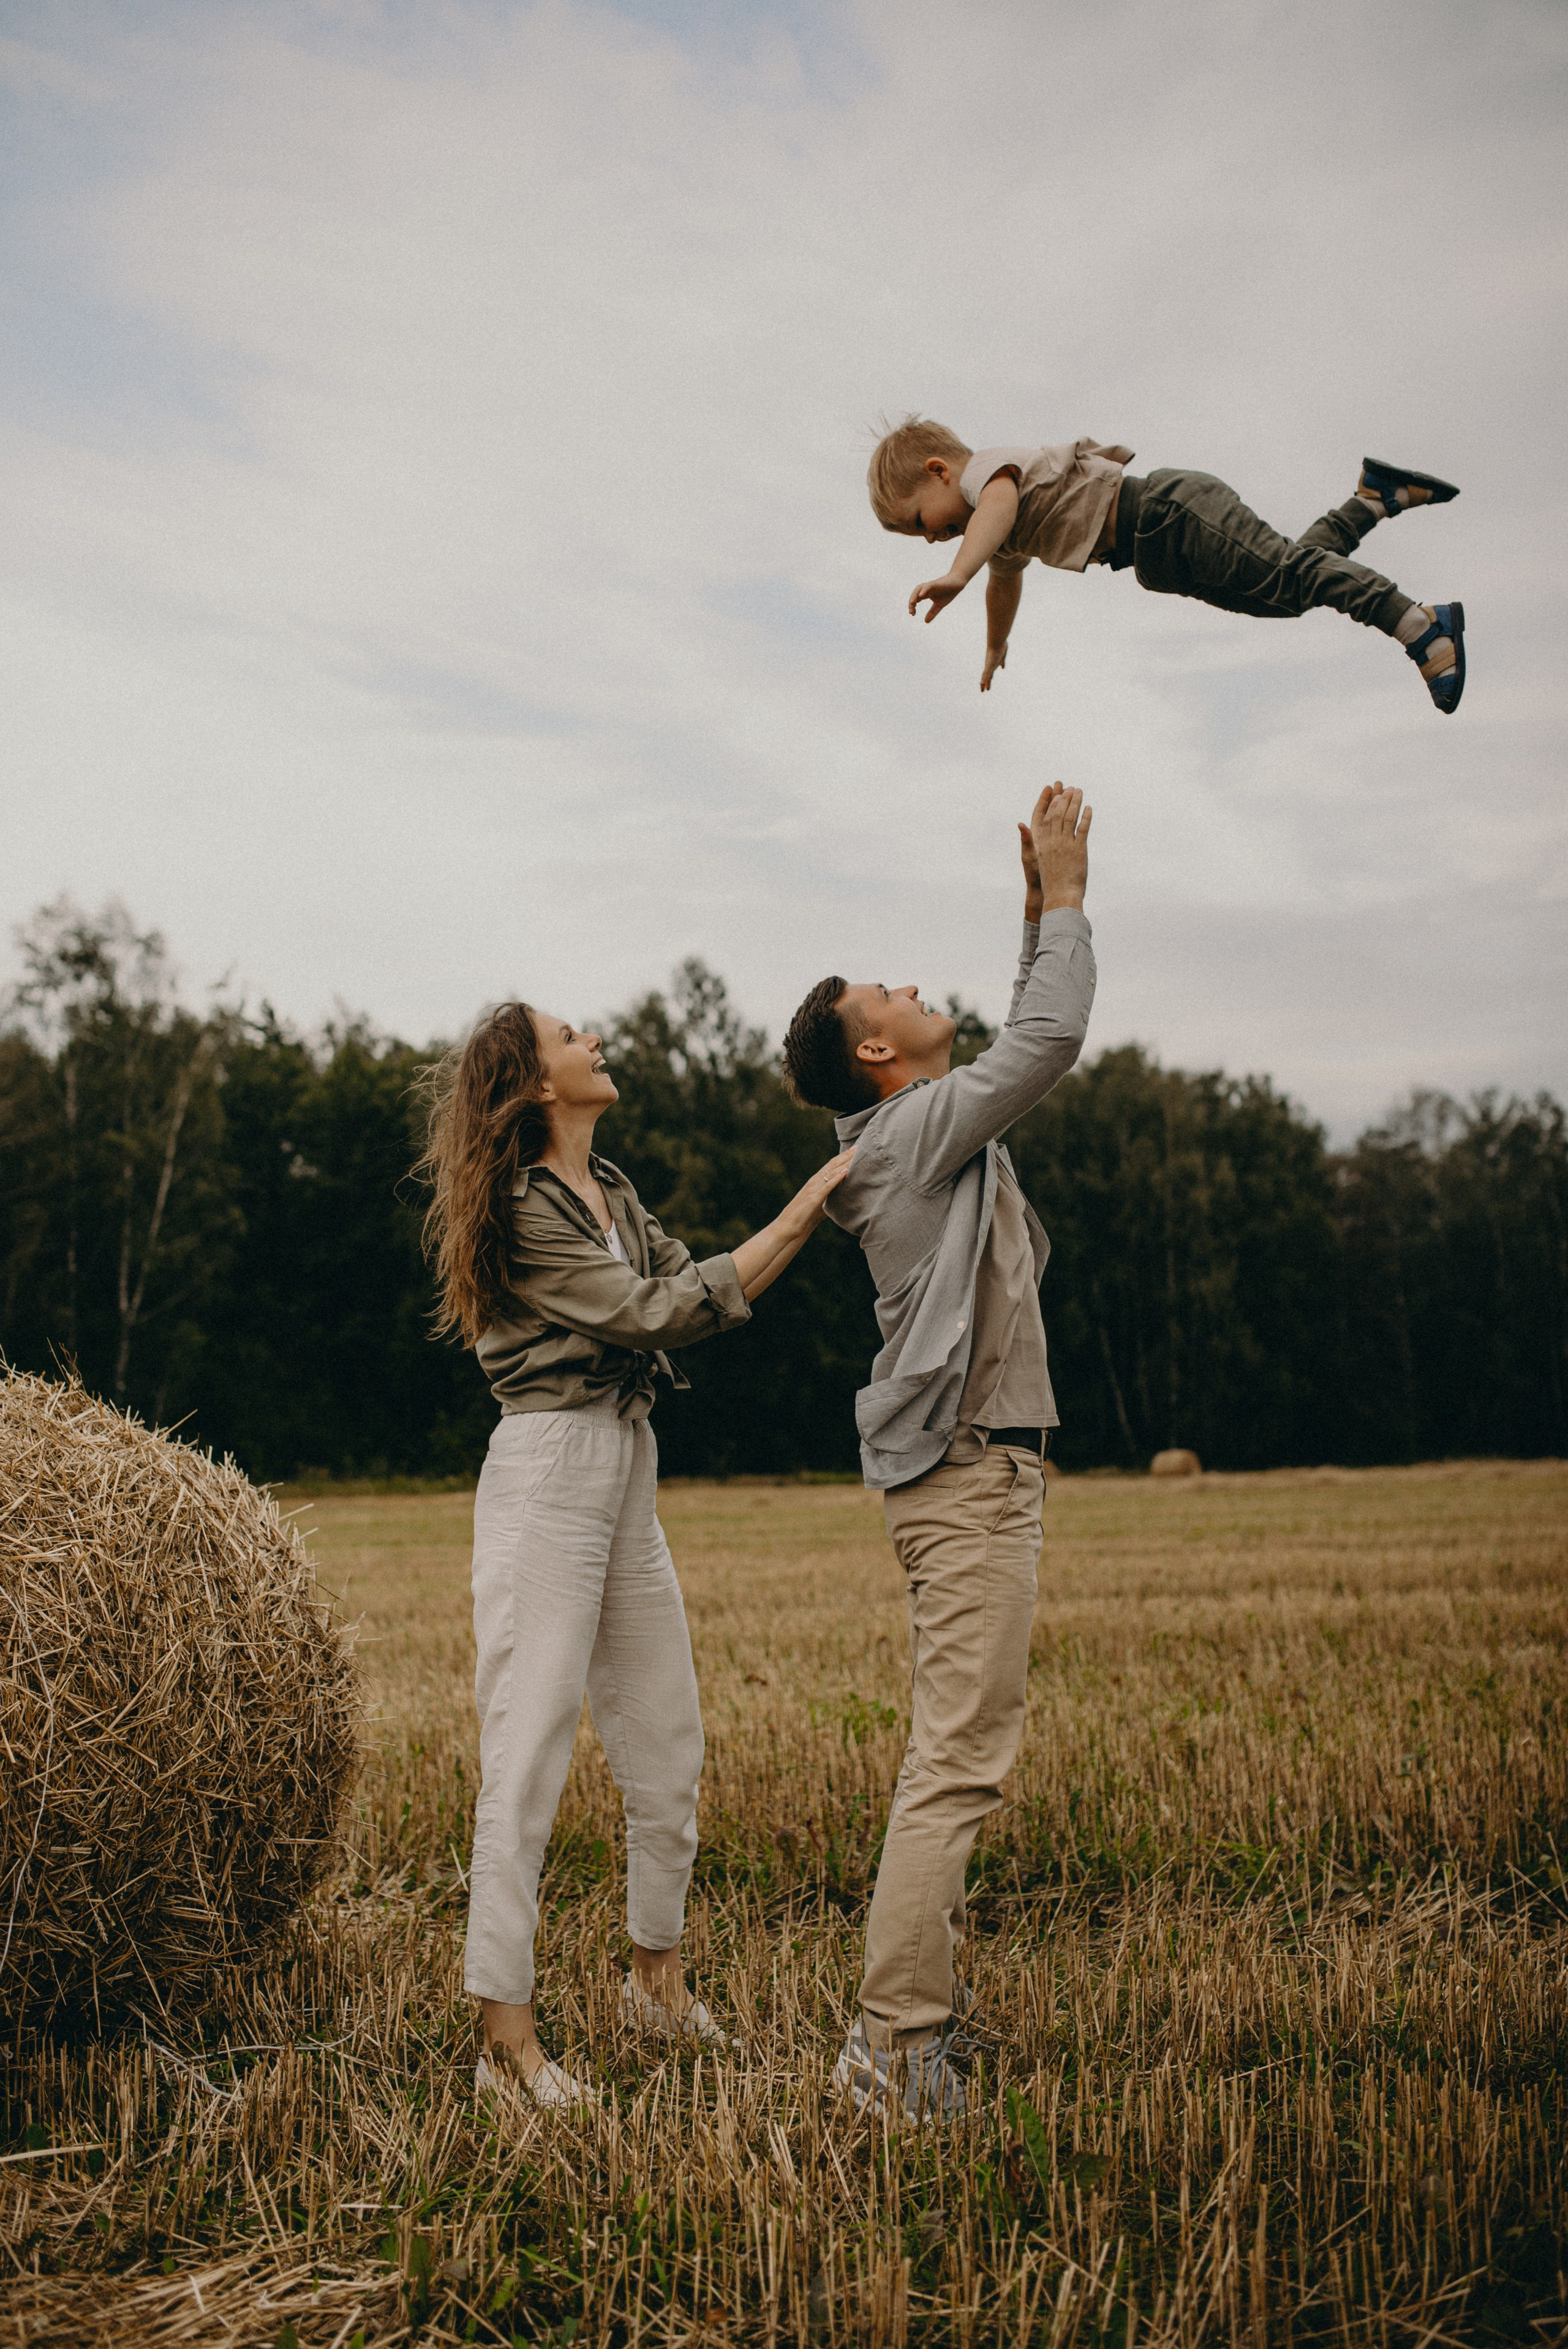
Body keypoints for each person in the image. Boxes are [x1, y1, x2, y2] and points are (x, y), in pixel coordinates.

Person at [419, 1002, 853, 2112]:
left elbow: (693, 1280)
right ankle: (503, 2047)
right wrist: (808, 1201)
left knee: (668, 1743)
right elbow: (660, 1309)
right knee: (527, 1758)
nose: (596, 1036)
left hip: (626, 1464)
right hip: (550, 1473)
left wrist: (797, 1224)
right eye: (572, 1034)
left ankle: (652, 1982)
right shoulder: (523, 1211)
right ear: (532, 1083)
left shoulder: (611, 1189)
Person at [780, 782, 1095, 2124]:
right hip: (968, 1478)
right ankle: (891, 2053)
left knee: (953, 1753)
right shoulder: (911, 1134)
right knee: (955, 1763)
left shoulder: (906, 1129)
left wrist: (1033, 916)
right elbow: (1044, 1043)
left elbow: (1017, 1037)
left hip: (972, 1474)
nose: (914, 988)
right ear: (877, 1060)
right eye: (889, 994)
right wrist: (1068, 905)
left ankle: (910, 2035)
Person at [867, 415, 1464, 713]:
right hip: (1155, 551)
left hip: (1168, 511)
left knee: (1289, 576)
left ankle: (1418, 625)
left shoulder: (983, 477)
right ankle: (1371, 500)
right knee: (1283, 591)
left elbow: (995, 509)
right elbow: (1005, 577)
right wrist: (995, 642)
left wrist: (955, 574)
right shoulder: (990, 530)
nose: (930, 540)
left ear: (939, 472)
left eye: (919, 521)